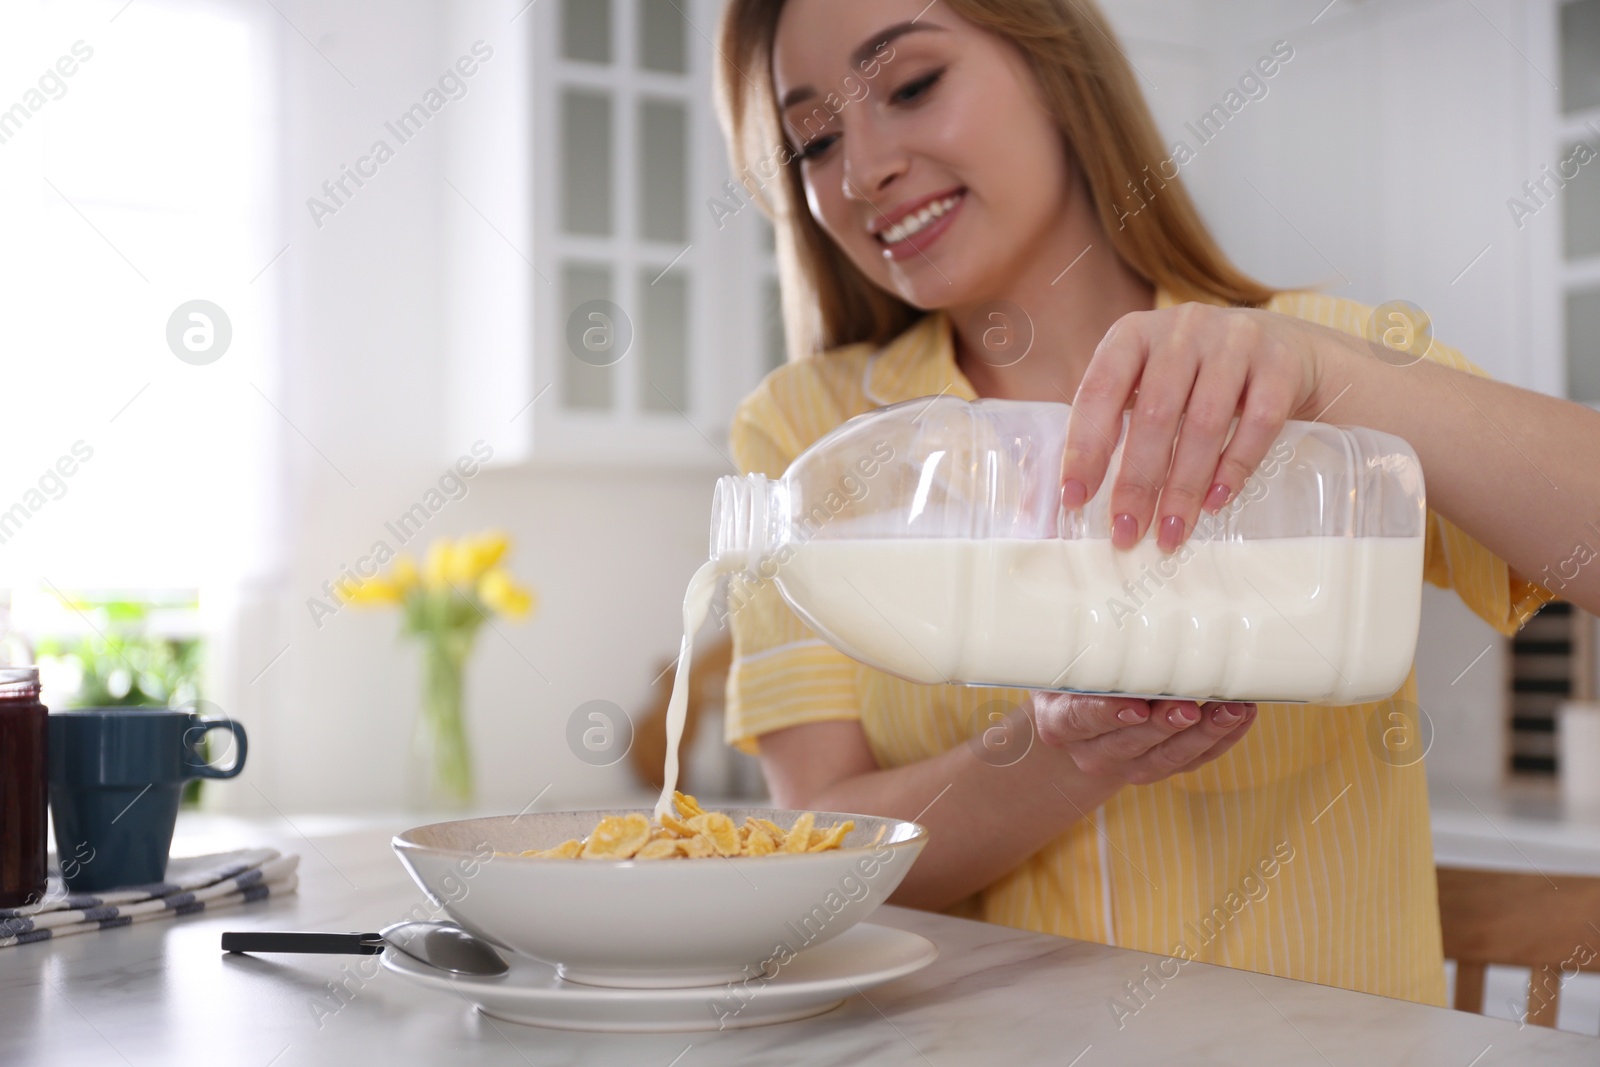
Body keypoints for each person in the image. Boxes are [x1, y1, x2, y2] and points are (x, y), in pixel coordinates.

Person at [712, 0, 1600, 1007]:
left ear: (1056, 69)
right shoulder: (804, 432)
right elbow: (823, 852)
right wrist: (1055, 755)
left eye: (912, 86)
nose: (861, 167)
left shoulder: (1311, 357)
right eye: (813, 140)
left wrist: (1335, 378)